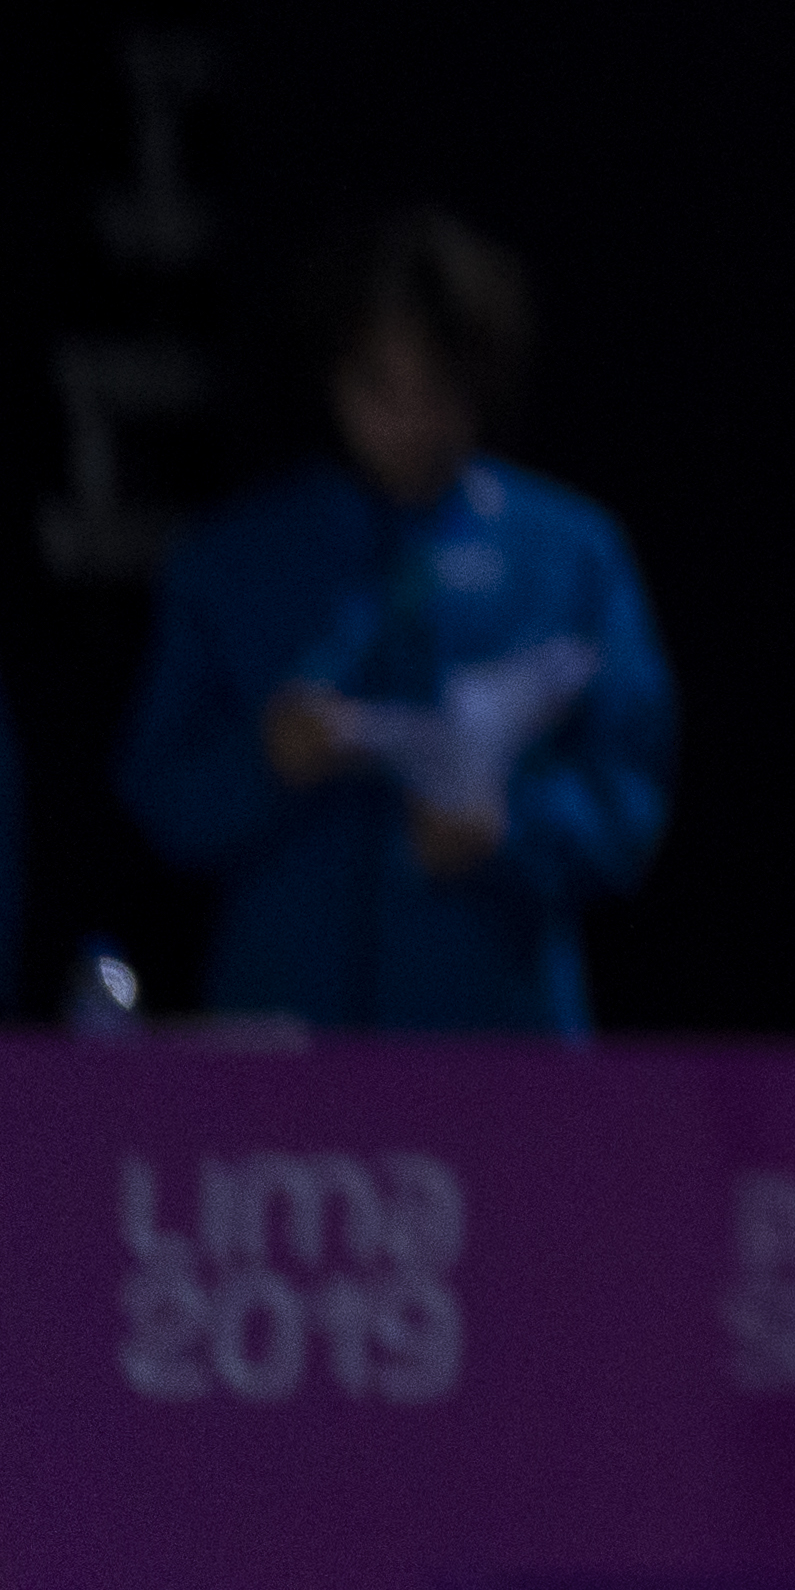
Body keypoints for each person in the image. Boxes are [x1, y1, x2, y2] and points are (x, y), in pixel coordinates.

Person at [122, 214, 673, 1034]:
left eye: (440, 388)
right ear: (334, 378)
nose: (410, 422)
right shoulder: (236, 560)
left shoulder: (571, 556)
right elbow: (159, 789)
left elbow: (629, 793)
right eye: (380, 386)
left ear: (482, 383)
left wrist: (511, 832)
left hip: (495, 1040)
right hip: (284, 1044)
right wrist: (263, 763)